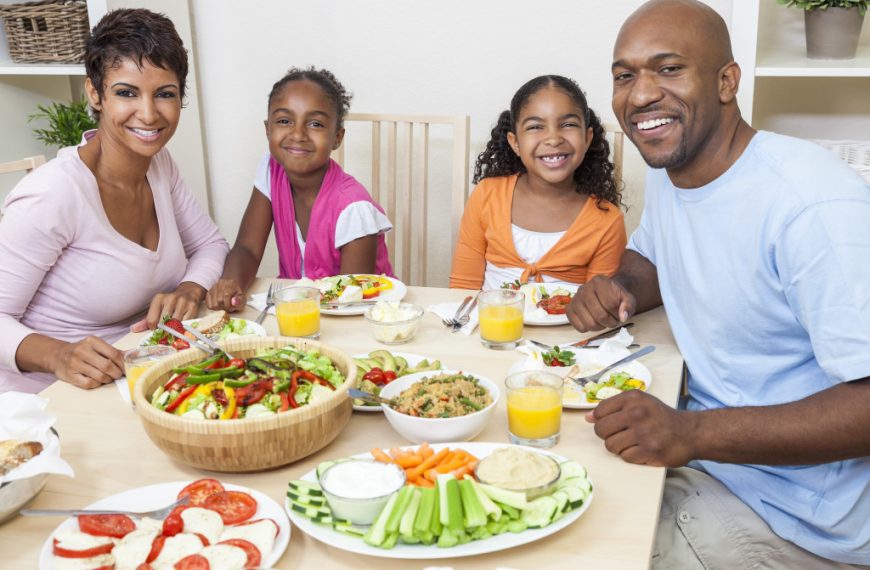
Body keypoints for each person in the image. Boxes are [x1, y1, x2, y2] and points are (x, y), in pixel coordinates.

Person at [568, 0, 870, 567]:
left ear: (727, 81)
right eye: (624, 75)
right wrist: (618, 287)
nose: (640, 95)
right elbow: (651, 256)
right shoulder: (676, 170)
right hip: (708, 463)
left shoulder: (811, 205)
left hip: (793, 519)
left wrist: (692, 433)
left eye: (669, 68)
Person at [0, 9, 228, 394]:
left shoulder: (159, 165)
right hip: (52, 398)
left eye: (165, 94)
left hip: (136, 375)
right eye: (126, 92)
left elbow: (209, 244)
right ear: (95, 93)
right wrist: (60, 355)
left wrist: (190, 288)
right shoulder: (52, 195)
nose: (149, 113)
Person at [206, 67, 394, 311]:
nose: (297, 134)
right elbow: (248, 249)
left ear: (337, 137)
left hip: (359, 320)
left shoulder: (354, 209)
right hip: (300, 314)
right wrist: (230, 282)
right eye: (284, 121)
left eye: (315, 124)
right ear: (267, 129)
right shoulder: (271, 170)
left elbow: (351, 301)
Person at [449, 75, 626, 290]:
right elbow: (463, 287)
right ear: (515, 143)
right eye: (535, 127)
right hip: (490, 323)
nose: (553, 139)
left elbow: (601, 305)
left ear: (587, 138)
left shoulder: (607, 220)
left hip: (571, 325)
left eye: (568, 124)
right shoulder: (487, 194)